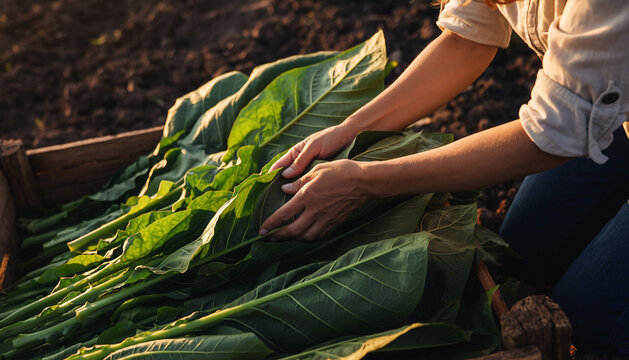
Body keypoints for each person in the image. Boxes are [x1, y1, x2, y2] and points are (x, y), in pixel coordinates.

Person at [259, 0, 629, 354]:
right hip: (613, 105)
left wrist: (367, 181)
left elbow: (546, 139)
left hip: (586, 108)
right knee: (522, 253)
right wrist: (349, 131)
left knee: (589, 321)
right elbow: (467, 40)